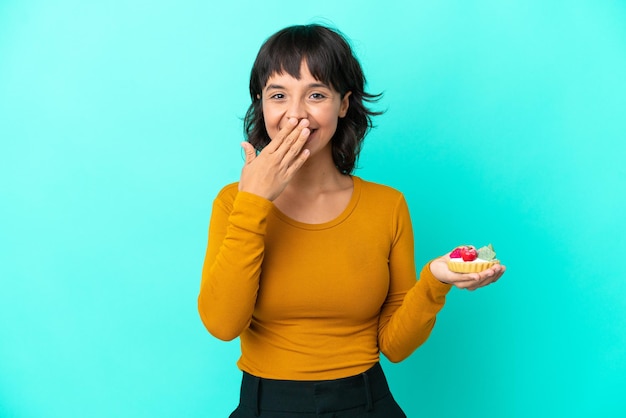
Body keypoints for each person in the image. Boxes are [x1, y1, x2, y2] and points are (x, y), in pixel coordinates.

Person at [198, 23, 506, 417]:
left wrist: (434, 281)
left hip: (365, 403)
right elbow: (223, 324)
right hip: (266, 405)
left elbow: (394, 347)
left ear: (343, 104)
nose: (295, 114)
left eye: (316, 94)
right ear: (261, 103)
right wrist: (254, 202)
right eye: (279, 95)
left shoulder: (387, 206)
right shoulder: (233, 203)